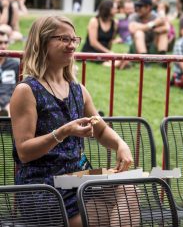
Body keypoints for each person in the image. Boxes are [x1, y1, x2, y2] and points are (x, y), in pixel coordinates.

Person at [10, 15, 133, 227]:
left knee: (128, 190)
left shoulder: (78, 90)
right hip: (43, 186)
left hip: (78, 179)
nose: (72, 45)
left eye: (74, 39)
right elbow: (24, 152)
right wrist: (63, 132)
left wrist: (121, 144)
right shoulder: (27, 90)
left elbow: (101, 130)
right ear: (42, 43)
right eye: (64, 39)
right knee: (105, 215)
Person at [0, 30, 19, 116]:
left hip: (10, 102)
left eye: (6, 42)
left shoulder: (15, 64)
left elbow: (20, 85)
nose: (3, 46)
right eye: (0, 43)